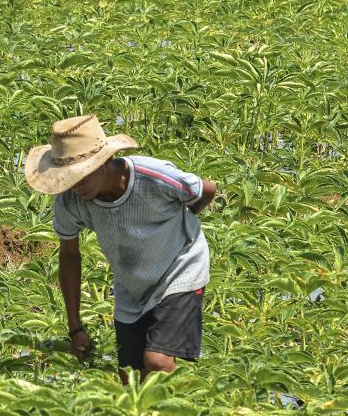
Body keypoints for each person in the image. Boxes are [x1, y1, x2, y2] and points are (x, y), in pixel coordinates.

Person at [24, 115, 217, 382]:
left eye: (82, 174)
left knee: (157, 361)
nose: (76, 185)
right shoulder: (70, 202)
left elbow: (206, 190)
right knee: (130, 378)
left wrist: (182, 221)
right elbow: (69, 256)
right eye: (68, 178)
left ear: (104, 161)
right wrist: (74, 326)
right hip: (132, 286)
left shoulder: (153, 177)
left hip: (180, 269)